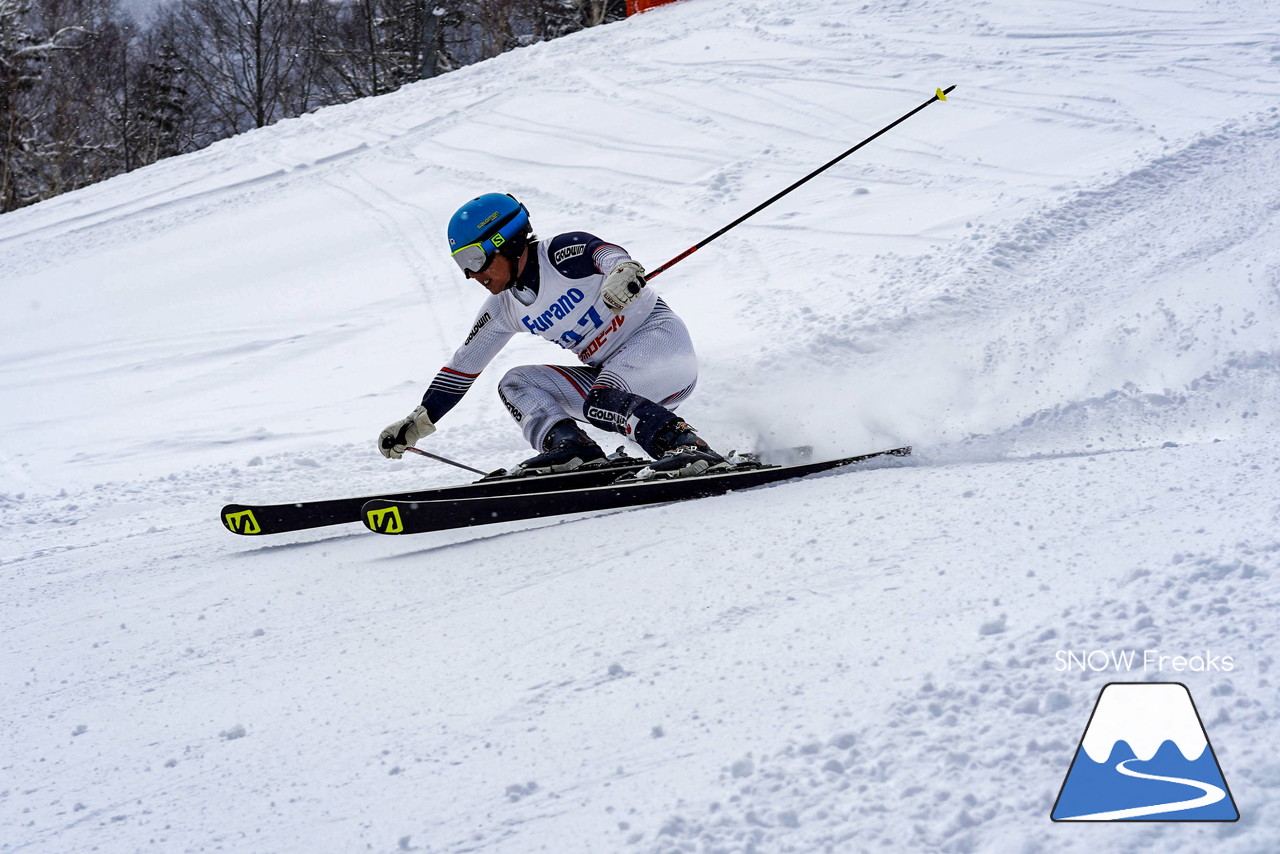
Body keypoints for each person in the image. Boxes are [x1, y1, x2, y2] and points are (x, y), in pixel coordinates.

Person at [378, 192, 726, 479]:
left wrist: (621, 272)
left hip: (660, 344)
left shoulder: (559, 254)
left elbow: (603, 253)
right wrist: (418, 421)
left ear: (505, 240)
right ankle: (573, 450)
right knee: (517, 382)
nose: (471, 274)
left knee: (601, 397)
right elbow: (461, 368)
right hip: (618, 385)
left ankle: (690, 448)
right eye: (461, 264)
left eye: (474, 258)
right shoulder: (502, 309)